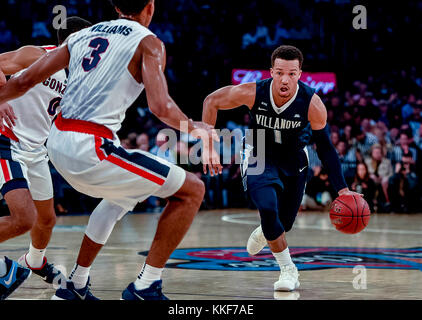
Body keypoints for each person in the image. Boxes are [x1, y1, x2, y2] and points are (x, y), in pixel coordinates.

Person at [0, 0, 216, 300]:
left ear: (115, 6)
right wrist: (197, 128)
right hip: (86, 147)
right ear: (151, 7)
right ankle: (146, 286)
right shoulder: (148, 42)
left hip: (55, 143)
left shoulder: (79, 38)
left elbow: (23, 81)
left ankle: (74, 281)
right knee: (192, 190)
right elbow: (160, 106)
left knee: (119, 197)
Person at [202, 45, 361, 292]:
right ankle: (288, 269)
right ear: (271, 72)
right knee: (267, 208)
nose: (284, 79)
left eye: (291, 73)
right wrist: (209, 145)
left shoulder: (312, 103)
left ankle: (266, 232)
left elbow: (326, 148)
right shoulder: (253, 92)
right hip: (259, 154)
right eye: (279, 73)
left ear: (300, 74)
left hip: (295, 160)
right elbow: (211, 101)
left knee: (282, 225)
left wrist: (342, 190)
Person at [0, 17, 92, 300]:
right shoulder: (36, 55)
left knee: (46, 220)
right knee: (23, 219)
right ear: (73, 41)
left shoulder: (80, 78)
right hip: (7, 141)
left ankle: (34, 261)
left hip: (37, 151)